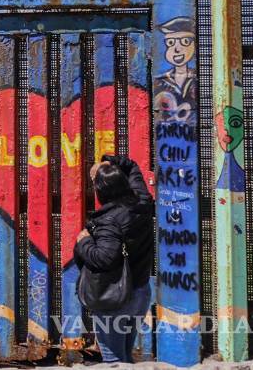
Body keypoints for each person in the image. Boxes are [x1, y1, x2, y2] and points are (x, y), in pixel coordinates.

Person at [74, 155, 154, 363]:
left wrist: (84, 242)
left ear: (101, 192)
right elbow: (133, 166)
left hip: (115, 299)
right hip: (140, 293)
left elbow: (103, 258)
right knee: (125, 356)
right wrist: (108, 161)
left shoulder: (110, 220)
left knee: (114, 361)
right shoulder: (142, 202)